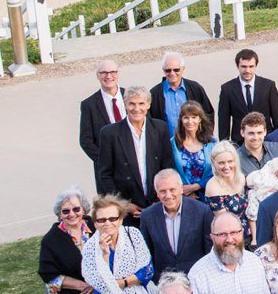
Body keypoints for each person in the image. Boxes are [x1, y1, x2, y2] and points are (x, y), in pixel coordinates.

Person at [97, 87, 177, 221]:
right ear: (125, 104)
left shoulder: (160, 128)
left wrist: (160, 198)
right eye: (132, 103)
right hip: (126, 208)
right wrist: (124, 204)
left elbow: (167, 166)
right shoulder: (109, 133)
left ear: (148, 105)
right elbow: (104, 174)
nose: (136, 108)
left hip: (157, 204)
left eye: (141, 103)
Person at [188, 212, 273, 294]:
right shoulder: (198, 274)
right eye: (222, 234)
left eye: (234, 233)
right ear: (212, 237)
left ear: (242, 232)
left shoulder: (254, 261)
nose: (229, 239)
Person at [140, 169, 214, 278]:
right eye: (163, 191)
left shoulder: (202, 211)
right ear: (157, 193)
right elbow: (146, 254)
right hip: (163, 283)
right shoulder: (147, 216)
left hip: (195, 279)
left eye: (172, 189)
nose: (168, 195)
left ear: (181, 188)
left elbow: (209, 251)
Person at [217, 48, 278, 141]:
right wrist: (224, 145)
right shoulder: (227, 89)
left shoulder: (269, 86)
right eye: (244, 66)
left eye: (251, 66)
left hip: (266, 140)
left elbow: (277, 118)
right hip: (240, 142)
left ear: (256, 66)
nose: (247, 70)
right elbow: (223, 121)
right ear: (238, 66)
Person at [78, 60, 125, 190]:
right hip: (108, 172)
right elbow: (86, 141)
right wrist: (105, 161)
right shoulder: (89, 105)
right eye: (103, 73)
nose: (108, 76)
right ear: (97, 76)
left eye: (112, 72)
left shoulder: (131, 97)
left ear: (118, 74)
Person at [149, 52, 214, 133]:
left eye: (176, 70)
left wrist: (206, 137)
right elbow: (150, 122)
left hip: (194, 143)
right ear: (163, 70)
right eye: (168, 70)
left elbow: (208, 114)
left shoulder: (195, 88)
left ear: (183, 69)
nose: (172, 73)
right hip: (166, 143)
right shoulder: (154, 94)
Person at [200, 141, 250, 242]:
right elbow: (225, 223)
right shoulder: (212, 186)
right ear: (214, 162)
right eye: (221, 163)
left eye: (230, 161)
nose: (226, 167)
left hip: (250, 233)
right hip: (230, 238)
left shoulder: (241, 178)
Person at [171, 102, 215, 198]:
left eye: (194, 117)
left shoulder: (212, 142)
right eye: (186, 118)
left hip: (209, 193)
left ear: (200, 119)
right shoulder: (173, 143)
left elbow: (218, 171)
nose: (190, 121)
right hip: (183, 195)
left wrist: (196, 187)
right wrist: (187, 191)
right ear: (181, 120)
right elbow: (171, 169)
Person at [237, 112, 278, 180]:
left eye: (259, 133)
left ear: (265, 132)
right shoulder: (235, 159)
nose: (256, 137)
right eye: (251, 133)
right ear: (242, 133)